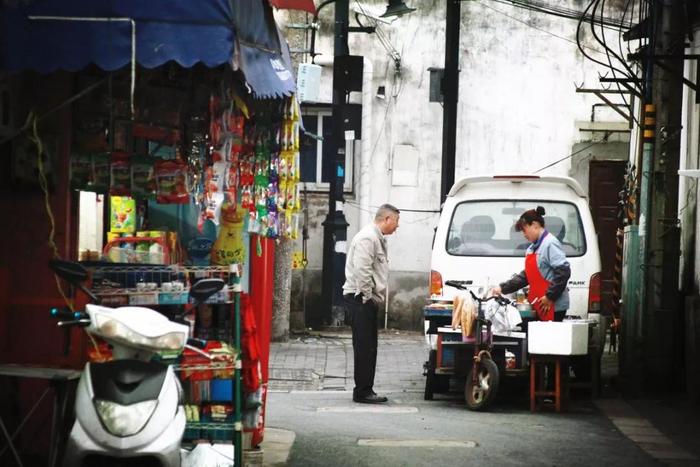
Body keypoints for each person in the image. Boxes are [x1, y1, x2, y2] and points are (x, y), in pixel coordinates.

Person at [342, 204, 400, 404]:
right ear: (387, 219)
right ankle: (362, 391)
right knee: (365, 347)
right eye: (396, 222)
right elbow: (362, 270)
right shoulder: (368, 237)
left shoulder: (376, 237)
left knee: (369, 347)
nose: (397, 227)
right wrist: (368, 297)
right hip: (360, 299)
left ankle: (366, 388)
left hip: (365, 299)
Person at [491, 206, 571, 322]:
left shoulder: (550, 243)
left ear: (535, 225)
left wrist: (550, 296)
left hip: (553, 306)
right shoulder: (532, 248)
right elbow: (526, 276)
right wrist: (503, 288)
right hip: (540, 303)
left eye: (524, 229)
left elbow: (563, 272)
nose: (523, 234)